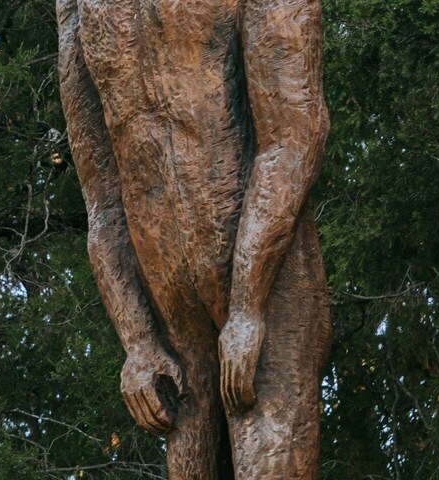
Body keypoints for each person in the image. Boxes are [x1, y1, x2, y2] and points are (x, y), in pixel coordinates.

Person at [55, 0, 332, 477]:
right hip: (172, 318)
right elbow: (102, 202)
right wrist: (138, 339)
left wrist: (247, 306)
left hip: (269, 282)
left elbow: (294, 138)